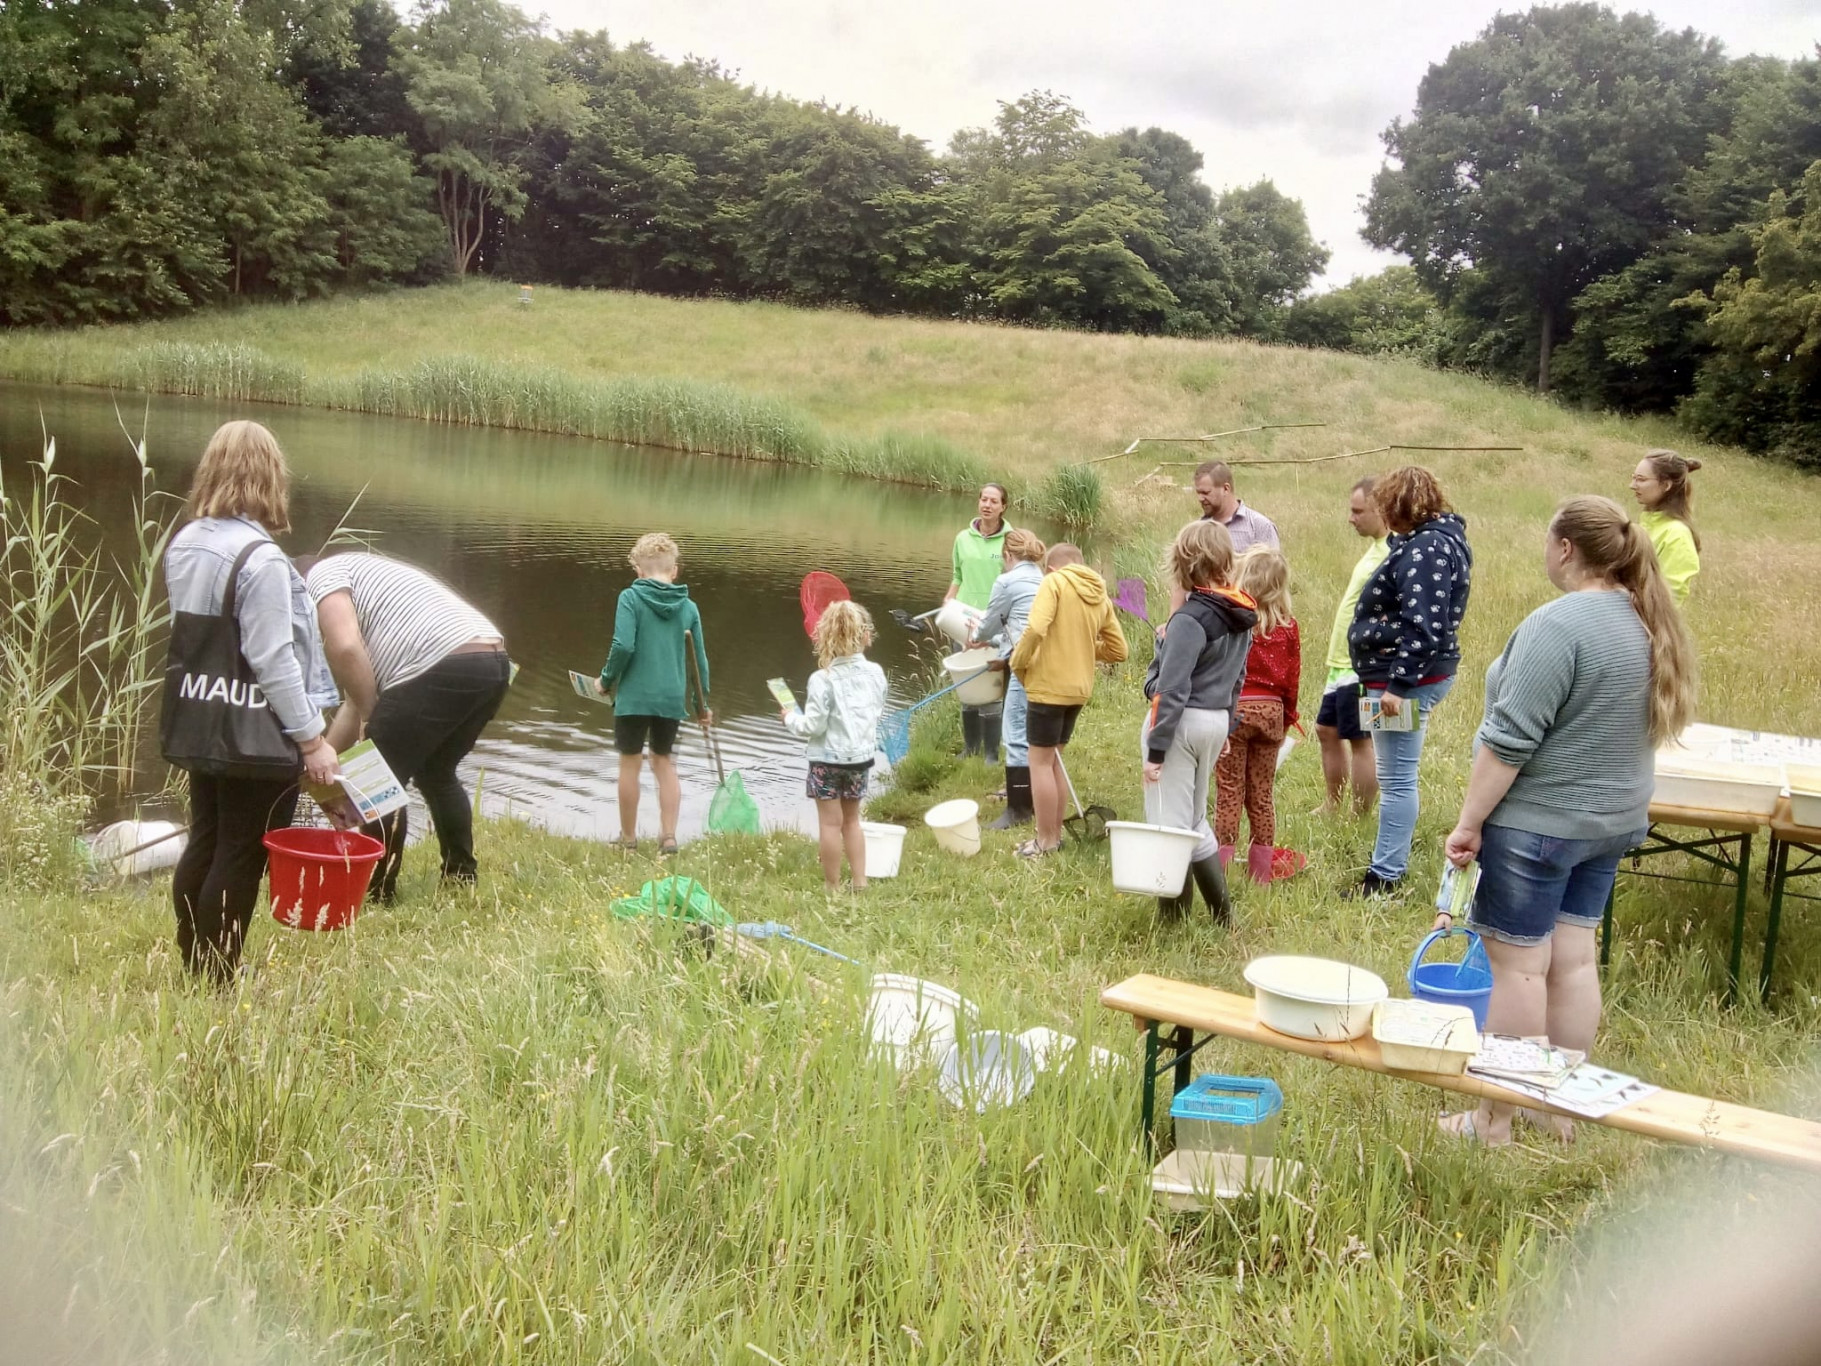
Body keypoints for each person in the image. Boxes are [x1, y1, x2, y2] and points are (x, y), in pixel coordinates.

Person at [1438, 495, 1697, 1146]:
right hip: (1608, 822)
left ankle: (1494, 1117)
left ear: (1564, 549)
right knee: (1574, 963)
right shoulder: (1643, 620)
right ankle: (1557, 1110)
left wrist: (1468, 822)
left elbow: (1510, 741)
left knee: (1516, 969)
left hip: (1538, 826)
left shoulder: (1559, 625)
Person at [162, 420, 339, 980]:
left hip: (202, 712)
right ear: (270, 477)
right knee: (241, 852)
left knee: (206, 838)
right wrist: (312, 739)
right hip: (256, 732)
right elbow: (272, 660)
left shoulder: (186, 541)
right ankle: (217, 980)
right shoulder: (261, 559)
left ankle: (194, 963)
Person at [312, 551, 510, 901]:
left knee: (375, 778)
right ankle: (460, 877)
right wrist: (322, 757)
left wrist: (374, 719)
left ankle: (376, 891)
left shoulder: (320, 574)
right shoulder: (363, 575)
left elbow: (344, 648)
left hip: (441, 659)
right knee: (437, 772)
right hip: (491, 662)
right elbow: (355, 698)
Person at [1346, 466, 1473, 899]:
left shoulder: (1427, 550)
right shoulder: (1430, 542)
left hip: (1404, 683)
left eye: (1385, 505)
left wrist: (1398, 689)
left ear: (1399, 506)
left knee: (1397, 777)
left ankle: (1384, 878)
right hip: (1399, 678)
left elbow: (1425, 626)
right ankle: (1387, 867)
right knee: (1396, 772)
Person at [1141, 521, 1254, 922]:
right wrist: (1227, 723)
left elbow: (1171, 690)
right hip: (1215, 721)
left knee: (1171, 827)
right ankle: (1224, 916)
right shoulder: (1240, 612)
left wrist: (1156, 750)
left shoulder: (1191, 618)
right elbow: (1238, 676)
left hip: (1182, 724)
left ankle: (1173, 920)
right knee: (1194, 819)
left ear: (1182, 563)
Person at [1008, 544, 1128, 858]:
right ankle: (1054, 836)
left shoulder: (1054, 582)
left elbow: (1035, 627)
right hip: (1078, 690)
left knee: (1039, 763)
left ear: (1051, 569)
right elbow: (1119, 650)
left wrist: (1018, 662)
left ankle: (1045, 842)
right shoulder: (1098, 591)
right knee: (1054, 761)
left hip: (1048, 686)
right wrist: (1084, 648)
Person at [595, 532, 709, 855]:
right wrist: (703, 706)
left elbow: (624, 645)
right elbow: (699, 662)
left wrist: (606, 679)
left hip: (634, 697)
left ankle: (629, 840)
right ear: (674, 571)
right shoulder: (689, 607)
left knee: (630, 763)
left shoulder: (630, 599)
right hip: (671, 698)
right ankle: (669, 838)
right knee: (664, 762)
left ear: (639, 571)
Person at [780, 601, 889, 892]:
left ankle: (832, 886)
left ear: (824, 638)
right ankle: (860, 881)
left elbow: (813, 726)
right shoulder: (876, 673)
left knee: (830, 825)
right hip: (860, 759)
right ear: (866, 636)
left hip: (826, 761)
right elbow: (876, 710)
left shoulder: (821, 679)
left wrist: (791, 717)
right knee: (852, 821)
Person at [1216, 546, 1302, 885]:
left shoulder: (1234, 624)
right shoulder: (1288, 626)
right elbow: (1292, 677)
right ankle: (1261, 874)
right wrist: (1287, 719)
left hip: (1235, 711)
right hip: (1271, 712)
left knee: (1229, 789)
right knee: (1262, 793)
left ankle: (1218, 871)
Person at [1315, 477, 1390, 815]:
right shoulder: (1376, 547)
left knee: (1362, 739)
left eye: (1358, 511)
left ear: (1383, 510)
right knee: (1326, 729)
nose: (1351, 518)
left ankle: (1359, 814)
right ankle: (1333, 803)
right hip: (1341, 662)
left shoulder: (1393, 551)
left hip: (1364, 666)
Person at [970, 529, 1046, 829]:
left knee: (1015, 730)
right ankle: (1033, 798)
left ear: (1007, 555)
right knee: (1037, 732)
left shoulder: (1006, 581)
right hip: (1048, 662)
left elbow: (989, 623)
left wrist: (976, 637)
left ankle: (1018, 810)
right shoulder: (1044, 579)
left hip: (1022, 662)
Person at [945, 483, 1013, 762]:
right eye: (983, 499)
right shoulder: (962, 537)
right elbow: (957, 576)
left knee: (991, 689)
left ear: (1003, 507)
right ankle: (970, 747)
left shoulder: (1012, 540)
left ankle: (990, 753)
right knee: (966, 685)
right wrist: (948, 601)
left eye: (993, 501)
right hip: (962, 621)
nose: (987, 505)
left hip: (994, 625)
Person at [1629, 449, 1702, 606]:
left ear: (1666, 485)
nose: (1632, 485)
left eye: (1641, 479)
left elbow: (1667, 600)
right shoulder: (1644, 525)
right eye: (1633, 478)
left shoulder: (1677, 535)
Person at [1193, 461, 1279, 554]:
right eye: (1198, 493)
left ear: (1226, 489)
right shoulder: (1197, 531)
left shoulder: (1260, 527)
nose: (1200, 498)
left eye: (1206, 493)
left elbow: (1273, 566)